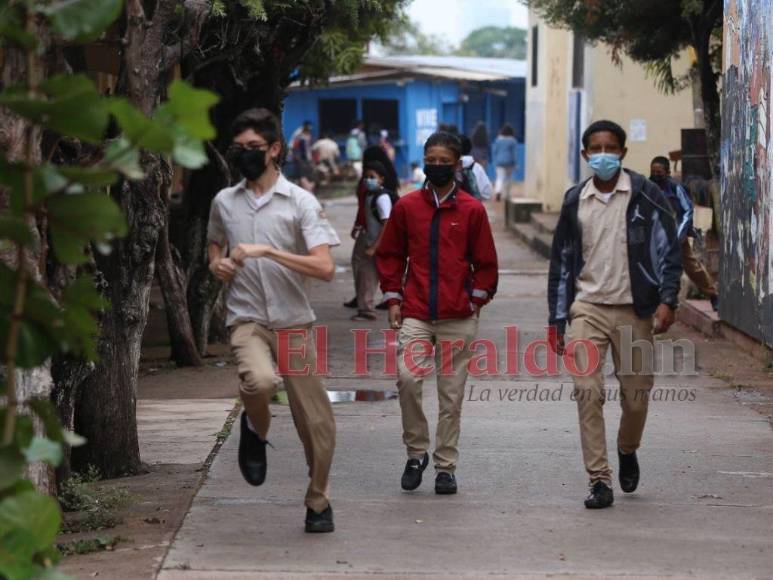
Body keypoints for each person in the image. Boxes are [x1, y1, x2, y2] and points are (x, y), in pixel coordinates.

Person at [207, 108, 340, 533]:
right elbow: (214, 244)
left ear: (275, 149)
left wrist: (268, 251)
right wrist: (217, 266)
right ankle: (254, 425)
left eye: (254, 149)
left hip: (293, 321)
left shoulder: (300, 202)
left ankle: (318, 501)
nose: (245, 155)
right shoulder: (224, 201)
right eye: (238, 149)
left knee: (316, 422)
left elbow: (324, 268)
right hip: (246, 319)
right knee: (260, 382)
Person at [547, 120, 682, 509]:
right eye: (595, 148)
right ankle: (599, 480)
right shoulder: (575, 201)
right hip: (587, 309)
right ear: (586, 154)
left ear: (622, 152)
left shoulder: (645, 195)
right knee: (587, 391)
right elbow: (562, 264)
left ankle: (627, 448)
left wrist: (668, 299)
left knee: (636, 397)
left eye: (610, 147)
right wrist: (557, 320)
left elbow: (669, 251)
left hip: (634, 309)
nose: (602, 154)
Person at [376, 131, 498, 495]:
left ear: (457, 165)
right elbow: (391, 255)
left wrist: (474, 301)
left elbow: (487, 263)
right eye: (432, 159)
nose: (437, 166)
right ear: (423, 160)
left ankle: (445, 466)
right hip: (415, 312)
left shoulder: (472, 210)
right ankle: (416, 453)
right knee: (408, 380)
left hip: (457, 315)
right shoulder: (407, 207)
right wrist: (394, 299)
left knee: (451, 395)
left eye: (445, 161)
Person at [650, 156, 718, 311]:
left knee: (692, 267)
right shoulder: (647, 188)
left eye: (659, 172)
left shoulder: (675, 188)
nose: (655, 175)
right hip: (654, 237)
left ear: (667, 172)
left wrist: (679, 235)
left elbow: (687, 211)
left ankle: (713, 294)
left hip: (676, 236)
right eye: (653, 172)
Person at [344, 146, 399, 311]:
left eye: (371, 177)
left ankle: (365, 300)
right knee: (378, 268)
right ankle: (369, 299)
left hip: (374, 234)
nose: (368, 179)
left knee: (364, 266)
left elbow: (385, 219)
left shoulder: (378, 192)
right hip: (371, 231)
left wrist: (375, 244)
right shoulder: (386, 180)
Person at [459, 135, 493, 200]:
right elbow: (487, 192)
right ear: (469, 148)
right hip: (473, 206)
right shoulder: (477, 167)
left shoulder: (449, 167)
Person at [492, 124, 519, 202]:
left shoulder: (498, 140)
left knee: (499, 178)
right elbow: (514, 153)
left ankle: (498, 191)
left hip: (499, 162)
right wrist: (516, 163)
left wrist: (495, 161)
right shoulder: (513, 140)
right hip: (509, 162)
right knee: (508, 178)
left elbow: (495, 151)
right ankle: (507, 195)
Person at [289, 121, 314, 190]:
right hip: (300, 158)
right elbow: (293, 147)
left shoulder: (308, 134)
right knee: (301, 174)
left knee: (305, 174)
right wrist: (297, 157)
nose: (309, 131)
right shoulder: (299, 135)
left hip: (306, 157)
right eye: (308, 129)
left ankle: (304, 188)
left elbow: (308, 146)